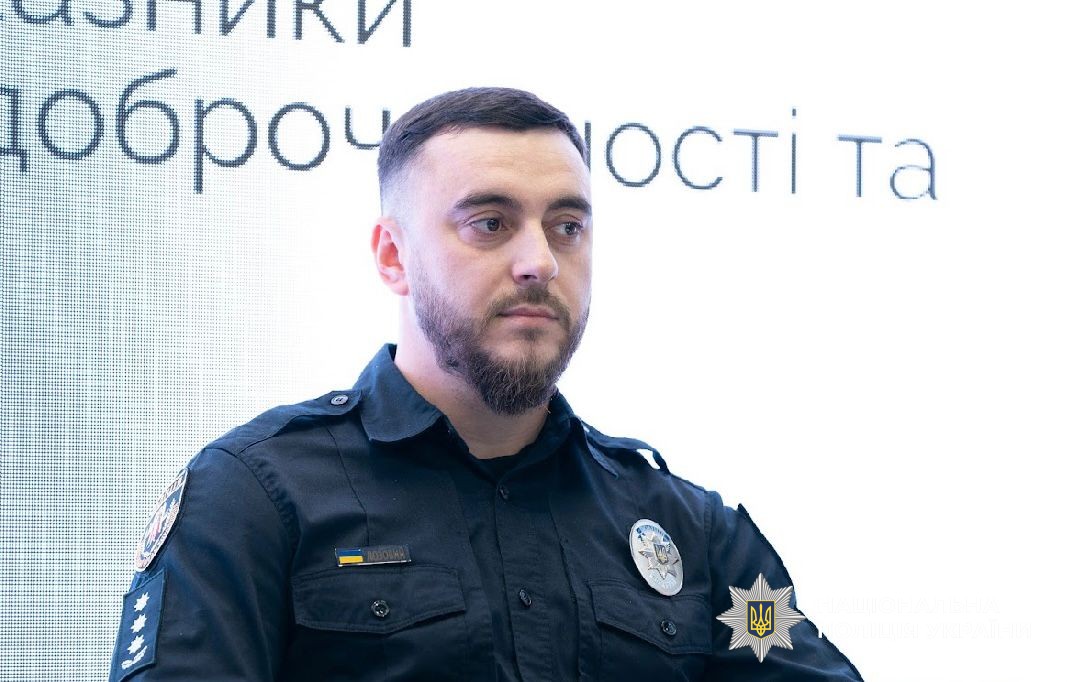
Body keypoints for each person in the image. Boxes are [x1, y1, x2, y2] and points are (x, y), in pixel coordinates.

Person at [108, 87, 863, 681]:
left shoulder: (692, 530)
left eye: (567, 226)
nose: (540, 262)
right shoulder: (253, 497)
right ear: (393, 257)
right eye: (490, 224)